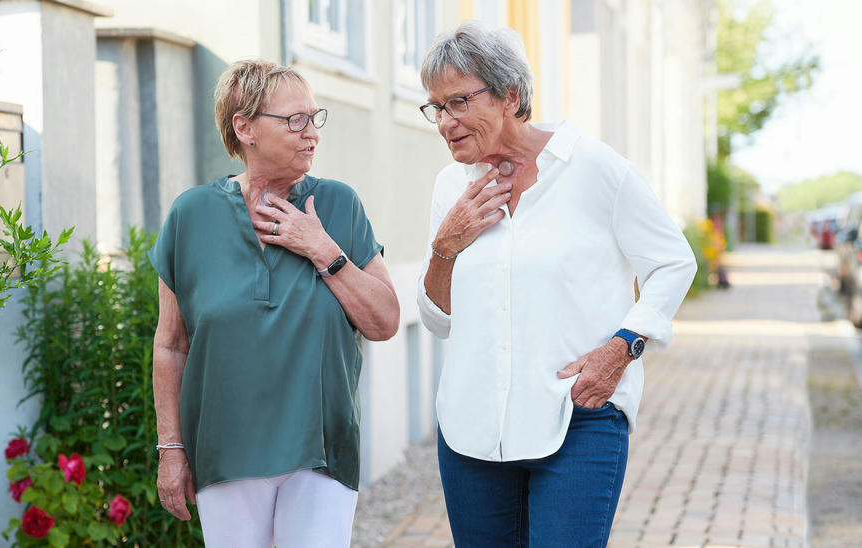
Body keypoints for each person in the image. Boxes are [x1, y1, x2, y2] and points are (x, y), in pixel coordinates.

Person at [415, 22, 697, 547]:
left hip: (578, 414)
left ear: (510, 96)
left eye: (457, 102)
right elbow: (437, 320)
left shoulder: (594, 169)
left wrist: (623, 347)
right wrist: (444, 247)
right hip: (471, 427)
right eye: (435, 107)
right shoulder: (451, 186)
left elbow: (673, 263)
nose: (444, 122)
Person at [149, 59, 399, 548]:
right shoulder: (191, 216)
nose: (312, 134)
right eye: (294, 120)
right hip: (226, 452)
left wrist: (322, 249)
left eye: (314, 117)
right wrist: (171, 450)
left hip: (321, 450)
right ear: (244, 128)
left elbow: (385, 320)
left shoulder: (338, 205)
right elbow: (170, 344)